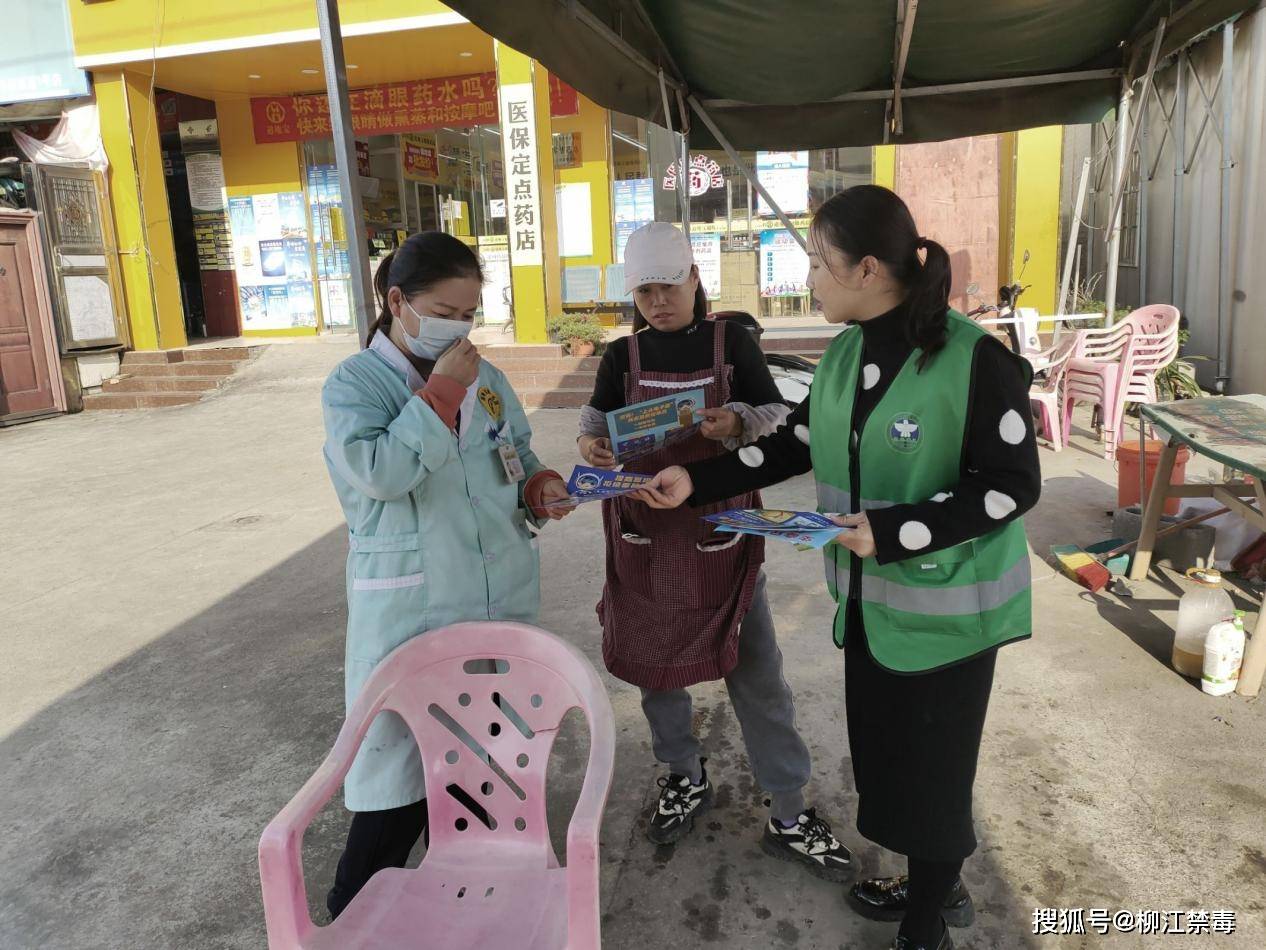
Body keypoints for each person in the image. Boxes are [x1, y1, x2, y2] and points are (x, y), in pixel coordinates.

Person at [637, 186, 1041, 950]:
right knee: (892, 769)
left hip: (951, 617)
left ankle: (927, 928)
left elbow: (1013, 487)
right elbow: (796, 442)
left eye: (817, 263)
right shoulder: (848, 351)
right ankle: (935, 884)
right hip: (869, 608)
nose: (809, 278)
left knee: (936, 779)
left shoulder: (975, 358)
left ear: (865, 268)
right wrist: (701, 480)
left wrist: (890, 531)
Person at [578, 221, 852, 881]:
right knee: (654, 668)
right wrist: (594, 447)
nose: (659, 303)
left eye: (668, 287)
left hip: (723, 536)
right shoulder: (623, 356)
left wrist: (734, 423)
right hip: (645, 537)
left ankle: (788, 808)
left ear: (694, 279)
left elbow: (773, 418)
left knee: (756, 671)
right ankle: (682, 773)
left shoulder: (732, 342)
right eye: (644, 292)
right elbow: (594, 421)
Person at [320, 231, 573, 919]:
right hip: (414, 618)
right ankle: (347, 927)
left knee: (477, 790)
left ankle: (464, 917)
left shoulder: (483, 379)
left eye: (469, 314)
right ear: (397, 301)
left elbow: (514, 452)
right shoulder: (356, 385)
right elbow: (380, 474)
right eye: (444, 310)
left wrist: (538, 488)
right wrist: (438, 395)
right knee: (394, 797)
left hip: (493, 607)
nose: (459, 329)